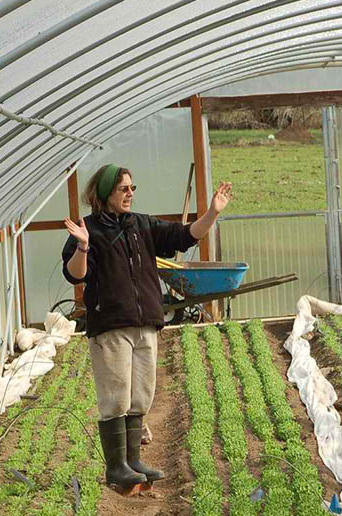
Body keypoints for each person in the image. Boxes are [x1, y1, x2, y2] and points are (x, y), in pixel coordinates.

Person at [62, 164, 232, 489]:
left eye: (132, 188)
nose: (130, 193)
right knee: (115, 396)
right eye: (123, 188)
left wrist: (212, 212)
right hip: (111, 324)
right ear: (104, 193)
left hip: (146, 324)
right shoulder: (89, 230)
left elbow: (185, 236)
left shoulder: (141, 224)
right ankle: (116, 468)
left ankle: (133, 461)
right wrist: (83, 246)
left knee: (140, 393)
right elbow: (76, 275)